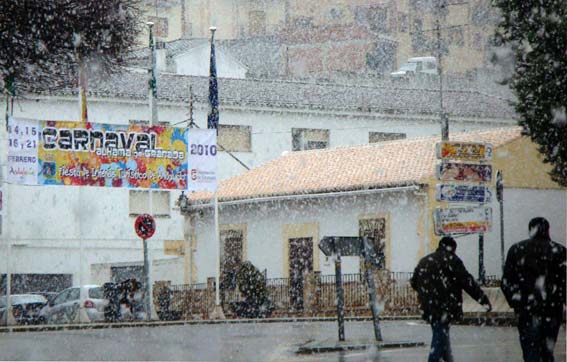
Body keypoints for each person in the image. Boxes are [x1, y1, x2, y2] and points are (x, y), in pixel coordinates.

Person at [411, 236, 492, 362]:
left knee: (441, 335)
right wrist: (483, 300)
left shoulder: (425, 261)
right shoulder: (452, 260)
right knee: (439, 337)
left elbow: (414, 282)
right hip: (446, 306)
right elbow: (467, 282)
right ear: (453, 248)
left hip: (429, 306)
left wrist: (427, 294)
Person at [501, 217, 566, 362]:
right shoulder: (559, 251)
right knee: (547, 351)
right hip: (552, 308)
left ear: (531, 229)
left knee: (530, 351)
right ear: (547, 230)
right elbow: (564, 281)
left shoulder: (517, 249)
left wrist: (516, 301)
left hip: (527, 309)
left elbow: (506, 282)